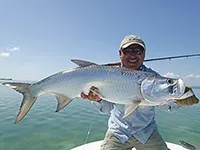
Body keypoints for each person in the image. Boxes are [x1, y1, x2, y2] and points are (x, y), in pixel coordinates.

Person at [81, 35, 199, 150]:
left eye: (138, 50)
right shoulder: (108, 76)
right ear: (120, 53)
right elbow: (106, 109)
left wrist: (180, 98)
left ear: (144, 54)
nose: (133, 55)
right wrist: (98, 99)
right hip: (118, 132)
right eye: (128, 50)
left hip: (146, 132)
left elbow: (167, 106)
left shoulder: (153, 77)